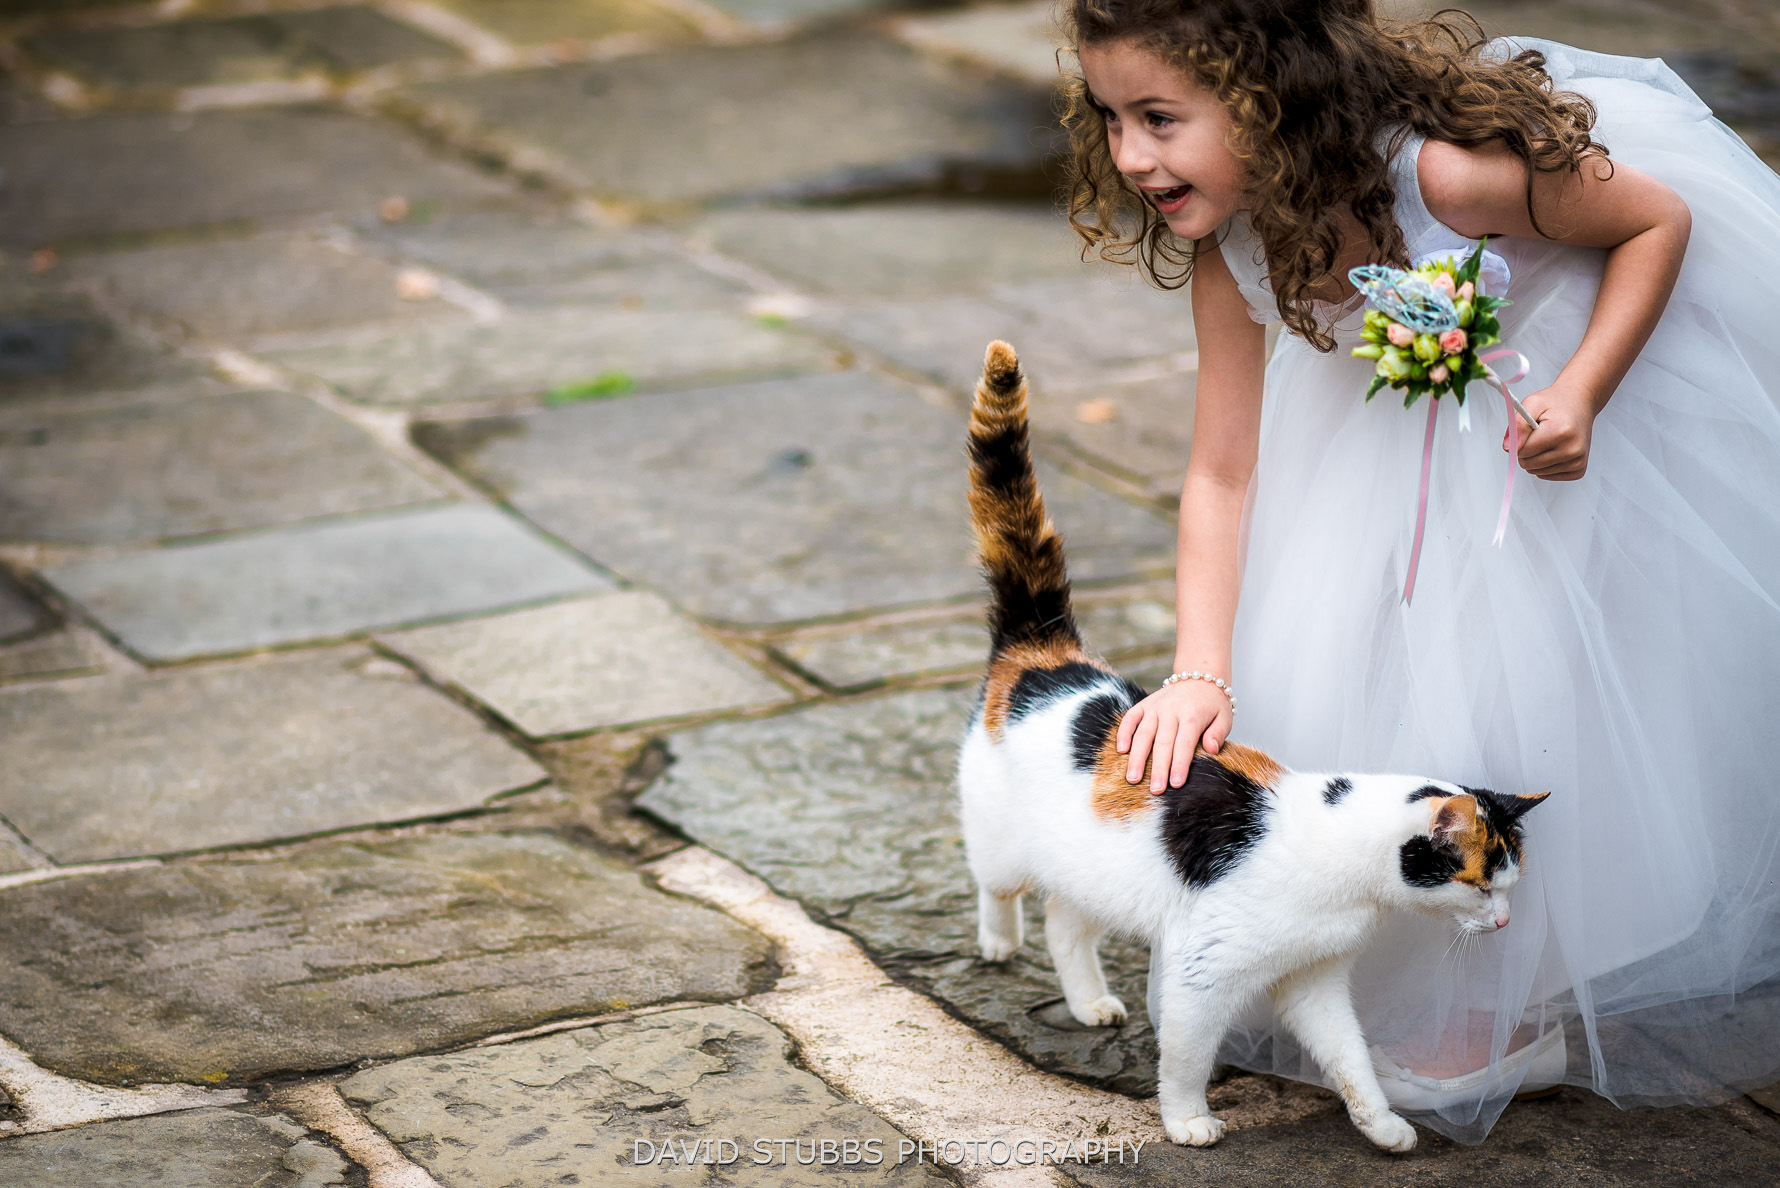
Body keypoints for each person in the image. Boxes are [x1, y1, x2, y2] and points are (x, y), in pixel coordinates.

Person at [1067, 0, 1780, 1142]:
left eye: (1158, 116)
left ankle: (1515, 996)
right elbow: (1222, 472)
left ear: (1267, 98)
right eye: (1108, 117)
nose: (1128, 155)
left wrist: (1583, 392)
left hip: (1553, 456)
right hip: (1376, 463)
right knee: (1351, 670)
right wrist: (1201, 671)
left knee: (1520, 689)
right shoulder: (1235, 246)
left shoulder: (1451, 181)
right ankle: (1403, 961)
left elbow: (1656, 222)